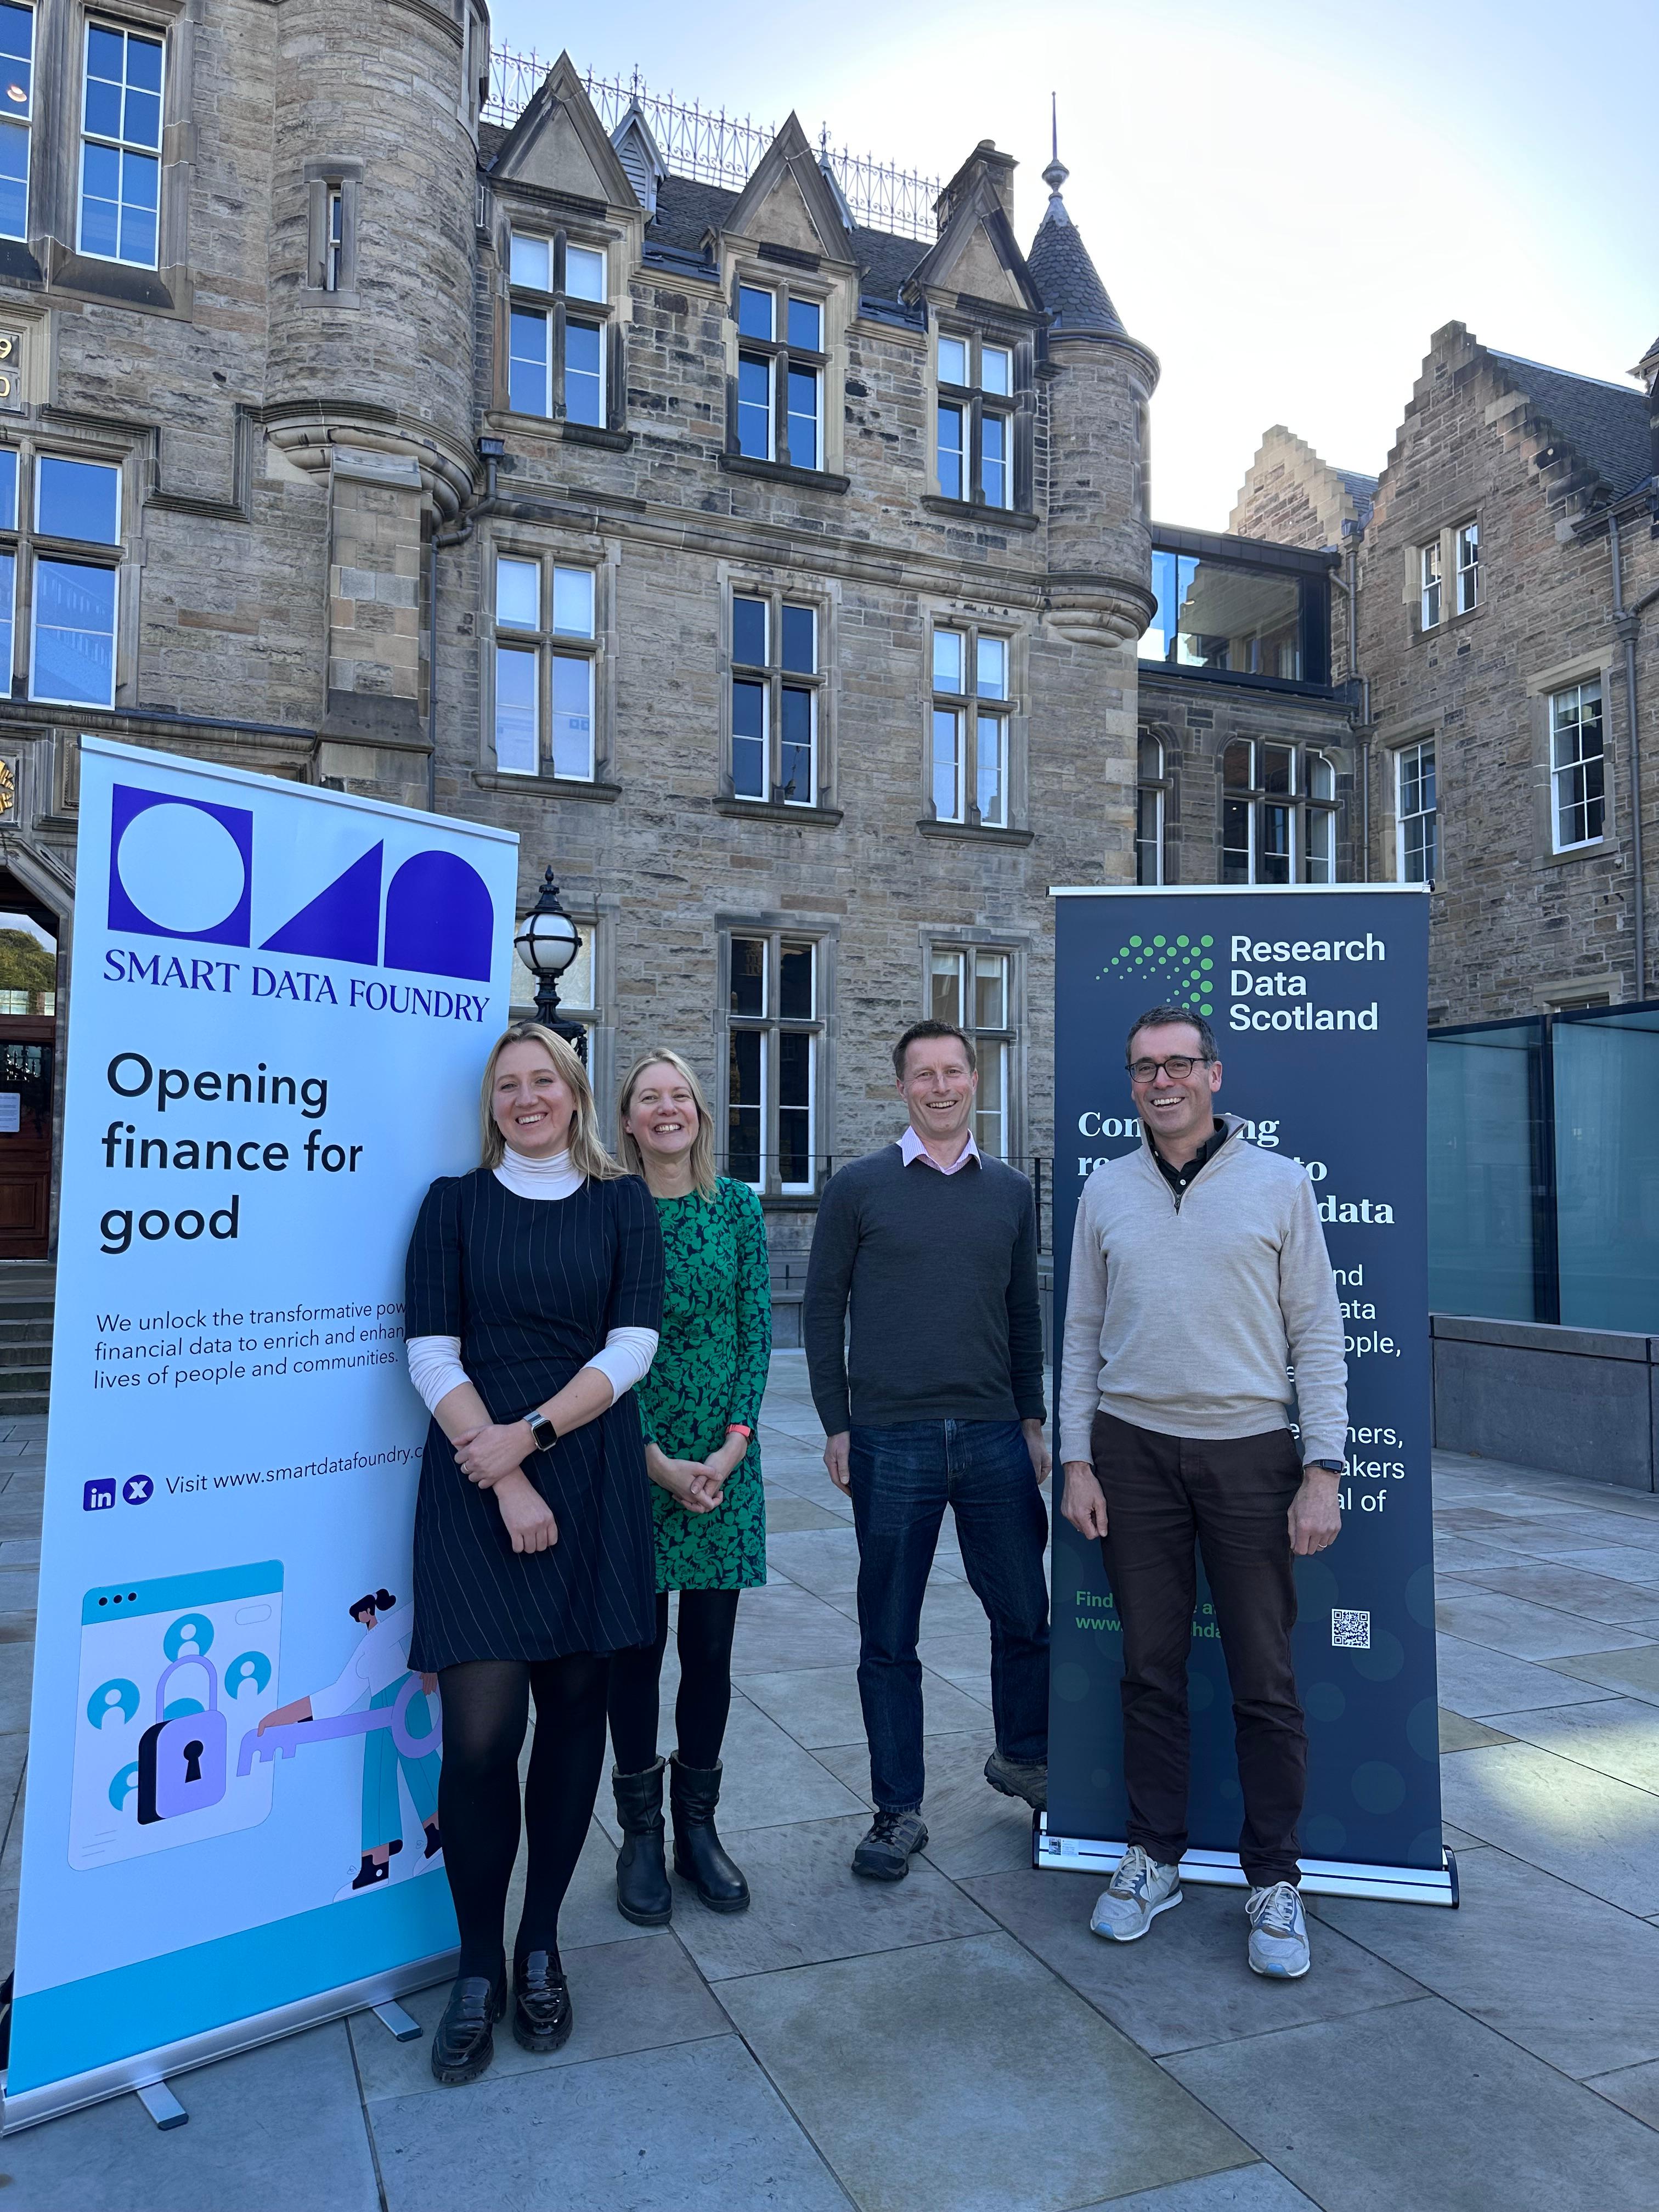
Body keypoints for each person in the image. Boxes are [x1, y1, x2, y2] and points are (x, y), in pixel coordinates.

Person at [1059, 1005, 1347, 1982]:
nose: (1162, 1080)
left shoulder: (1279, 1183)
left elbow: (1317, 1333)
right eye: (1145, 1067)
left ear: (1213, 1075)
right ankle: (1153, 1858)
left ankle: (1274, 1879)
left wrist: (1322, 1467)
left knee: (1264, 1678)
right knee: (1149, 1670)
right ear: (1132, 1082)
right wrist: (1076, 1459)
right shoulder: (1105, 1189)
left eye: (1179, 1063)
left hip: (1250, 1455)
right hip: (1130, 1453)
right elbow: (1079, 1333)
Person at [404, 1023, 663, 2084]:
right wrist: (505, 1469)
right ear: (492, 1103)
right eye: (507, 1084)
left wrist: (538, 1435)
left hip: (590, 1474)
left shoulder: (620, 1203)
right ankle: (477, 1966)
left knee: (571, 1723)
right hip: (475, 1480)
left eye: (542, 1080)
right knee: (477, 1741)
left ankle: (539, 1944)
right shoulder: (453, 1205)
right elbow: (430, 1351)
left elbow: (632, 1344)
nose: (526, 1097)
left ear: (574, 1092)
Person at [802, 1019, 1050, 1883]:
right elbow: (821, 1309)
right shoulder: (857, 1188)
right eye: (924, 1074)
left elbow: (1024, 1312)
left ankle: (1026, 1761)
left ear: (974, 1080)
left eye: (953, 1072)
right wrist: (837, 1423)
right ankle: (897, 1810)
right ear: (902, 1086)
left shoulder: (1011, 1191)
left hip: (993, 1435)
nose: (940, 1087)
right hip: (890, 1438)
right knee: (889, 1633)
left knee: (1025, 1615)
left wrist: (1032, 1418)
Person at [605, 1049, 771, 1922]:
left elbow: (755, 1333)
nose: (666, 1109)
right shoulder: (607, 1209)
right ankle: (639, 1836)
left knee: (709, 1653)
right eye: (649, 1098)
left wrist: (732, 1448)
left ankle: (697, 1830)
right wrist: (654, 1459)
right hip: (633, 1456)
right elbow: (593, 1345)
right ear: (628, 1120)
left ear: (701, 1113)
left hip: (723, 1465)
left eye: (681, 1096)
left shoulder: (737, 1206)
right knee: (634, 1652)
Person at [257, 1586, 442, 1895]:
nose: (359, 1618)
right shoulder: (366, 1648)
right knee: (376, 1779)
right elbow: (338, 1696)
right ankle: (375, 1864)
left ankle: (438, 1835)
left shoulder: (391, 1627)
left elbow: (423, 1616)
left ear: (368, 1612)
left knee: (420, 1763)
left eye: (360, 1613)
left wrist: (433, 1661)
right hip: (380, 1706)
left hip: (406, 1695)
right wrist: (281, 1717)